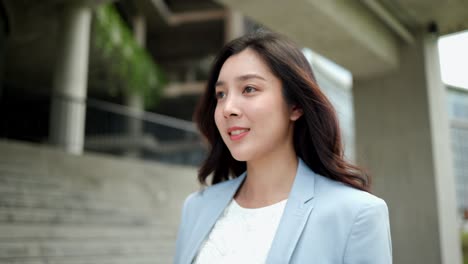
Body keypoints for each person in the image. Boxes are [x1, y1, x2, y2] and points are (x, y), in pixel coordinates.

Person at [174, 31, 392, 264]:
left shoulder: (356, 214)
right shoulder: (196, 207)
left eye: (249, 89)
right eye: (221, 94)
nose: (228, 108)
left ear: (295, 106)